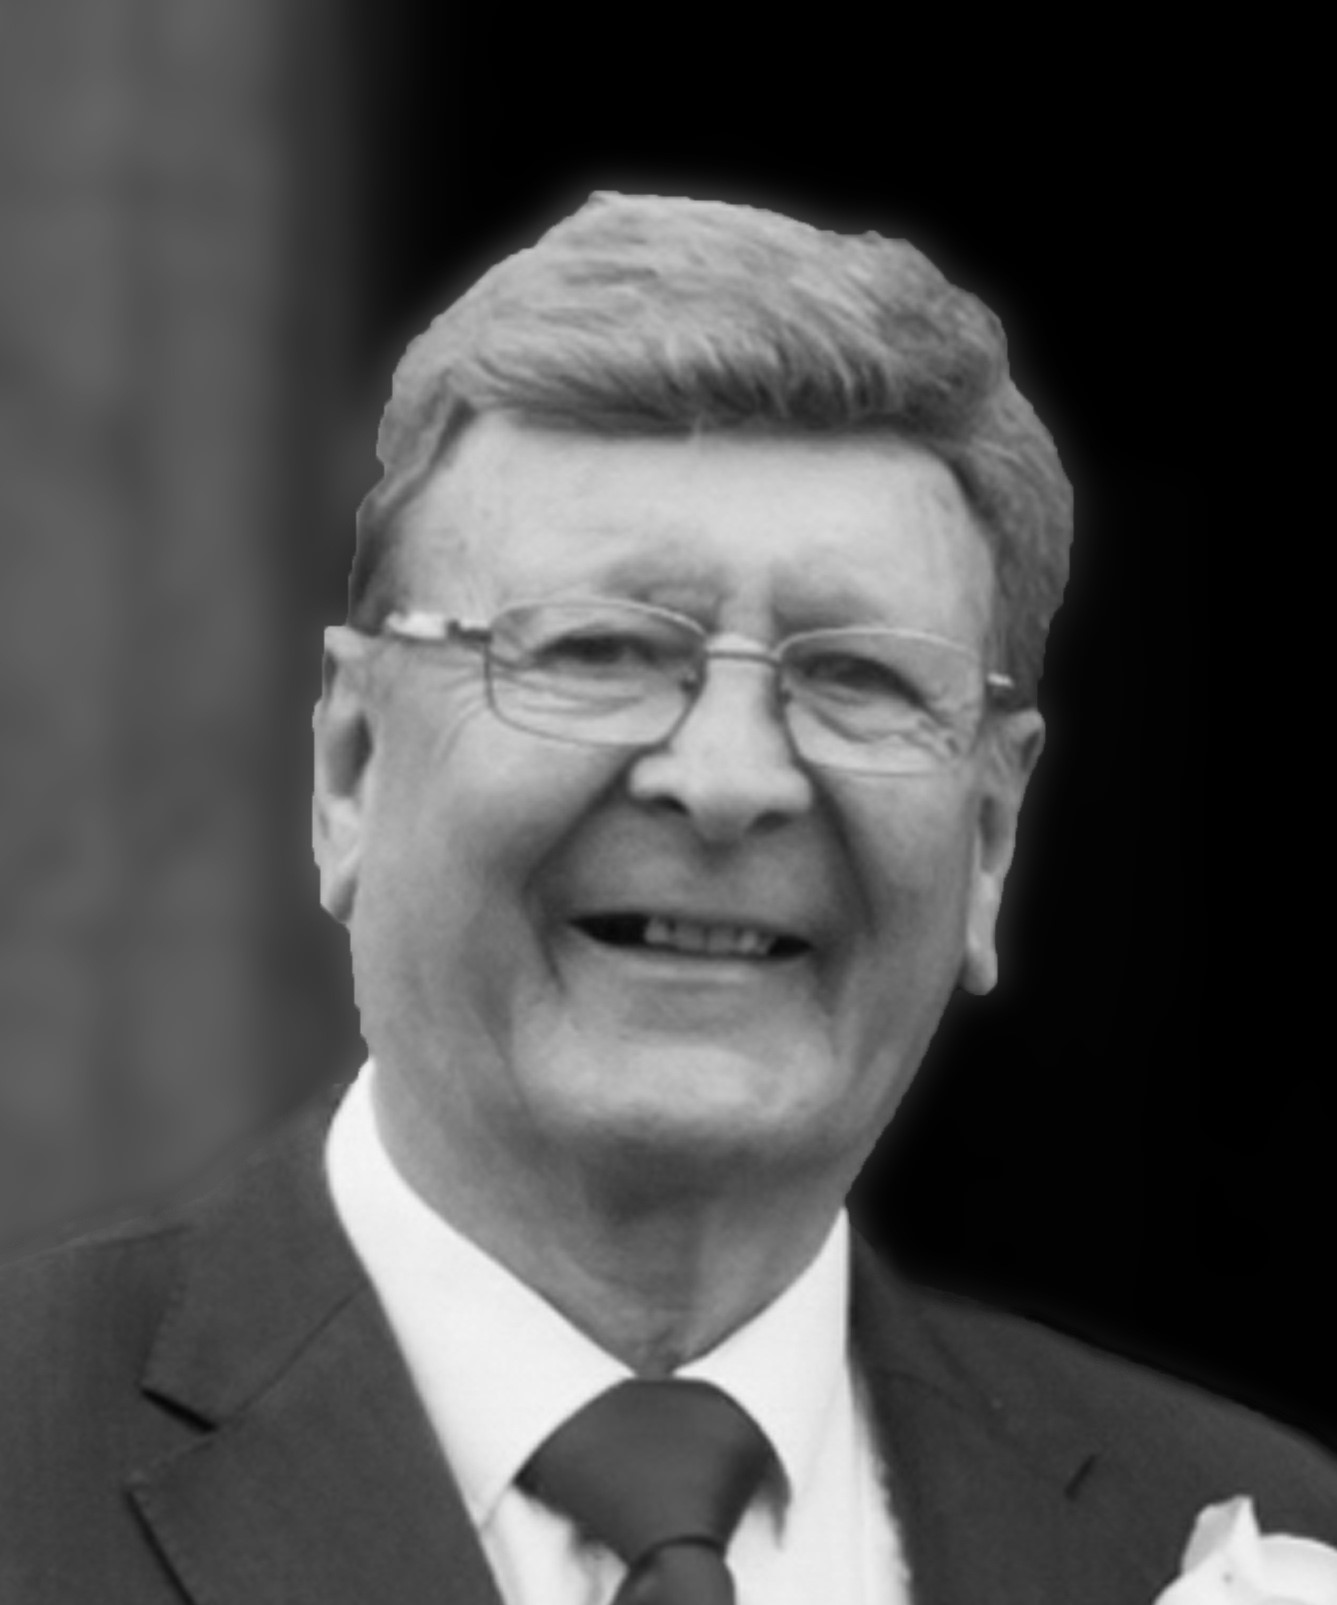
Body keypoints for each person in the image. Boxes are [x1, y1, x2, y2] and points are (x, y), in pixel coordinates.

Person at [1, 191, 1333, 1605]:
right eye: (599, 651)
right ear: (350, 770)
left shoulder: (1264, 1534)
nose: (728, 780)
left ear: (990, 837)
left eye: (858, 677)